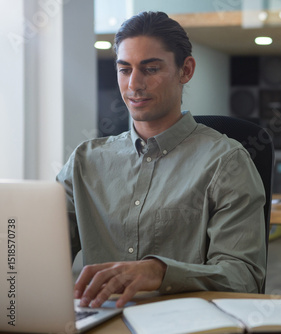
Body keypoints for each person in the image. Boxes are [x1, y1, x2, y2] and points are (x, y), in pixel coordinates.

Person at [56, 11, 266, 308]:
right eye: (124, 69)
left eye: (150, 69)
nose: (134, 85)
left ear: (186, 70)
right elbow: (38, 257)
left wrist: (162, 272)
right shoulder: (84, 162)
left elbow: (245, 278)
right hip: (101, 322)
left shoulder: (226, 162)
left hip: (188, 324)